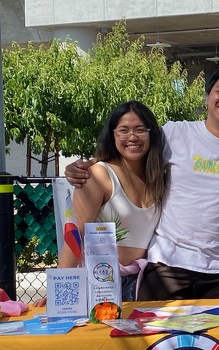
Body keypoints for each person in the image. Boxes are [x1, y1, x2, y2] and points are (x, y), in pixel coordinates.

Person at [67, 66, 219, 299]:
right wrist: (90, 165)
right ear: (207, 97)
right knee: (153, 325)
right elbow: (133, 148)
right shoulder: (173, 133)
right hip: (168, 264)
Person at [57, 101, 165, 301]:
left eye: (140, 130)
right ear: (112, 134)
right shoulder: (99, 175)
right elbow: (74, 235)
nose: (132, 137)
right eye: (123, 130)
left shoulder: (160, 178)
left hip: (145, 283)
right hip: (100, 283)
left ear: (152, 134)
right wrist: (60, 290)